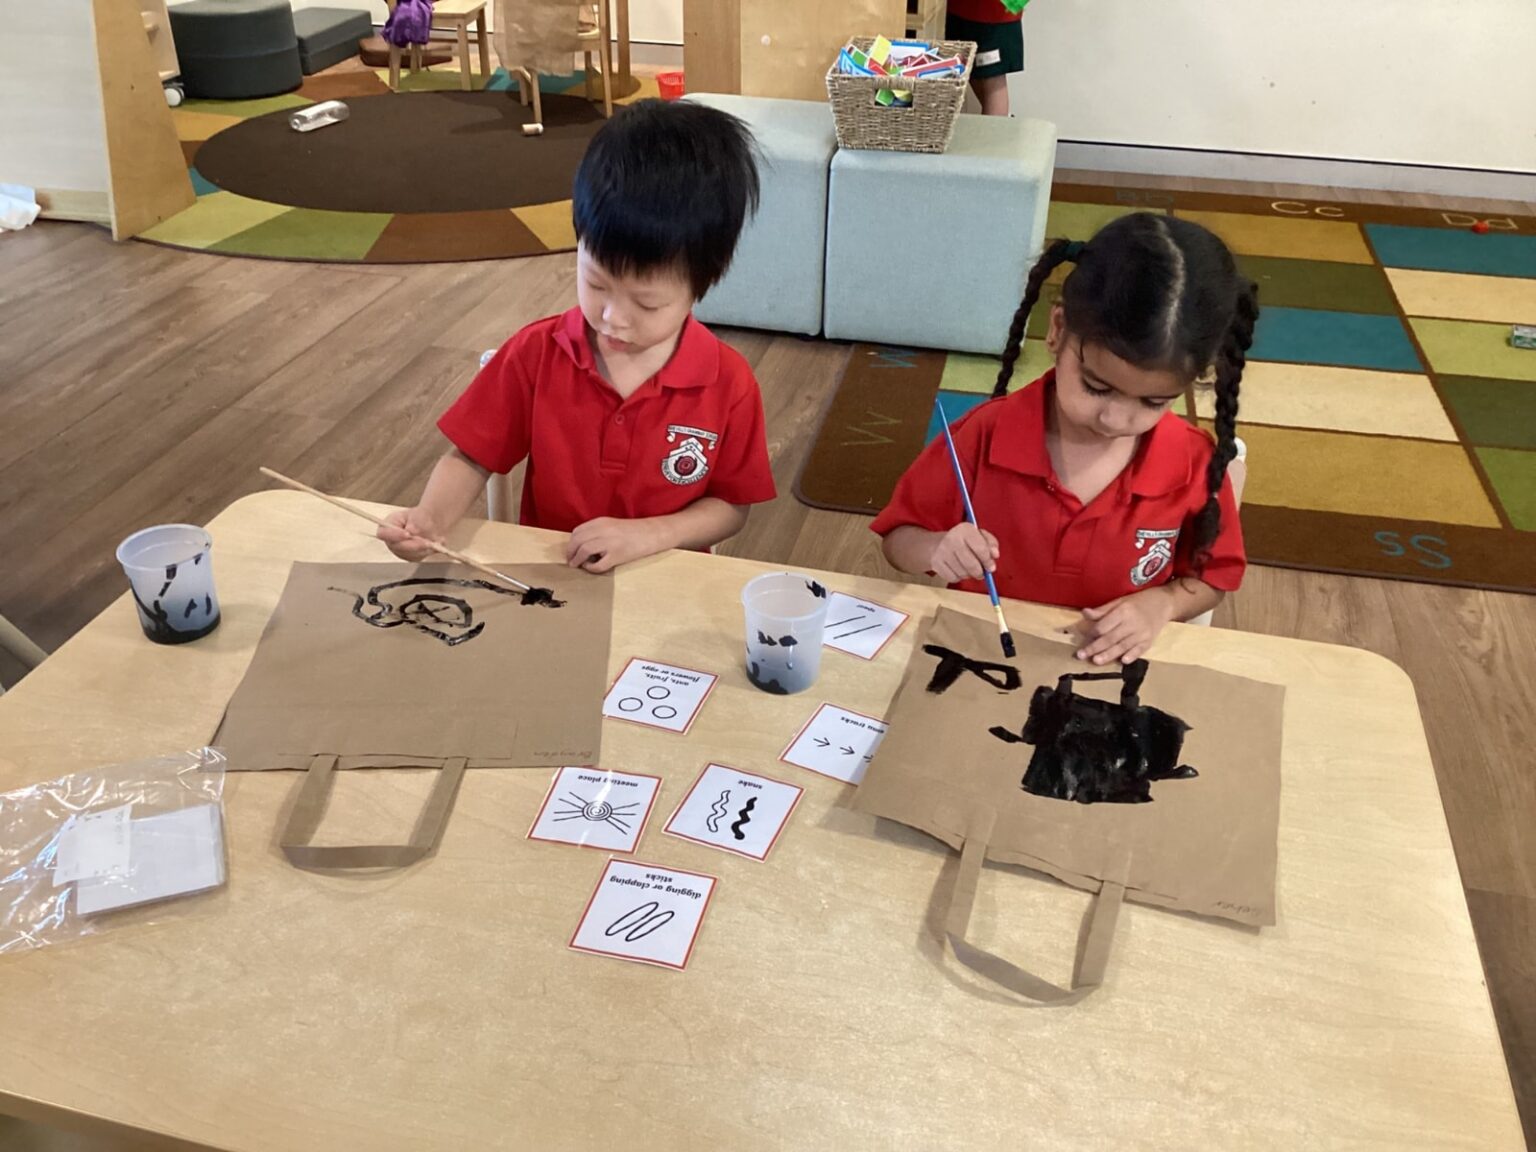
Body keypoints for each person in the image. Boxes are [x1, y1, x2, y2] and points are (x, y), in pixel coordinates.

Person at [379, 100, 774, 573]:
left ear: (704, 283)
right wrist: (430, 518)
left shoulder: (727, 383)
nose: (613, 318)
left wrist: (650, 534)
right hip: (551, 577)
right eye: (596, 284)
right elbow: (471, 457)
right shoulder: (536, 354)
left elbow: (731, 506)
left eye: (647, 304)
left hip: (663, 578)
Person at [873, 213, 1258, 665]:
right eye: (1096, 386)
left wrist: (1164, 603)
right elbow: (898, 539)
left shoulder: (1194, 463)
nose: (1116, 418)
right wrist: (937, 548)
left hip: (1110, 671)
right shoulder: (984, 434)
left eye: (1153, 402)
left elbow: (1214, 575)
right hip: (986, 659)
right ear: (1057, 329)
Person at [946, 0, 1026, 116]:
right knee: (971, 70)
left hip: (992, 13)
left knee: (993, 82)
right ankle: (1001, 121)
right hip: (963, 9)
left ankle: (998, 124)